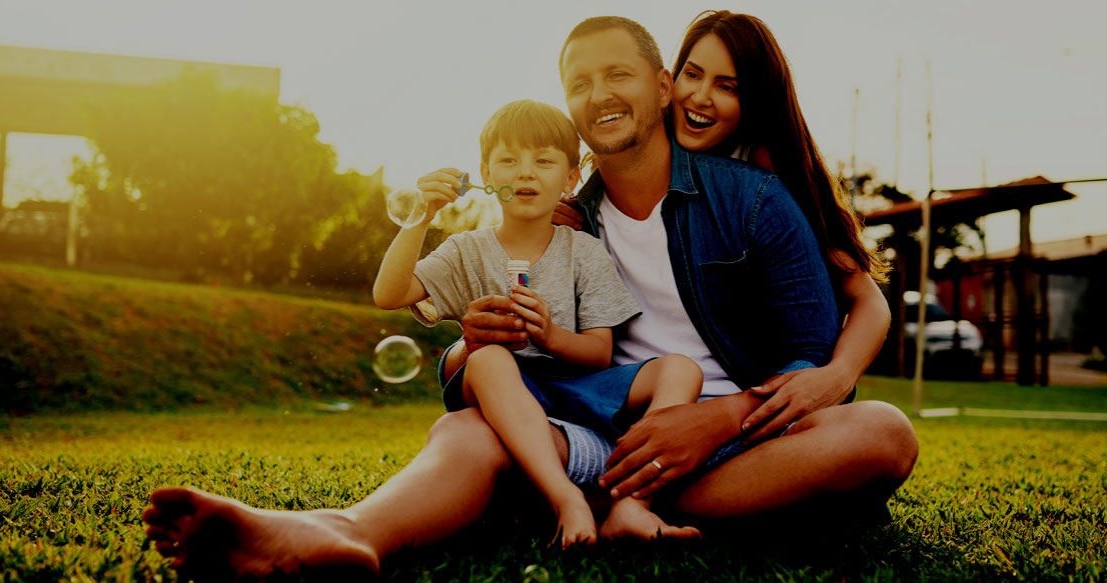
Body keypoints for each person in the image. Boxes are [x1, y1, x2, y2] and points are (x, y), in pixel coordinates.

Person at [141, 16, 917, 581]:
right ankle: (341, 533)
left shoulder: (753, 197)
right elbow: (491, 360)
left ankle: (579, 499)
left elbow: (815, 353)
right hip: (597, 433)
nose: (598, 93)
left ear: (658, 86)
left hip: (730, 443)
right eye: (578, 83)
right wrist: (481, 335)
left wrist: (712, 417)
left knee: (880, 432)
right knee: (472, 430)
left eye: (617, 73)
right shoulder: (561, 220)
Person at [371, 99, 703, 547]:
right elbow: (388, 294)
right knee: (487, 359)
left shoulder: (584, 252)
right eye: (509, 160)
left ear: (570, 179)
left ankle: (633, 504)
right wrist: (420, 218)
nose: (526, 172)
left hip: (574, 390)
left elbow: (599, 353)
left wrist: (549, 336)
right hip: (502, 389)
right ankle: (565, 498)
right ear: (486, 176)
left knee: (681, 368)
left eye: (543, 161)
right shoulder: (466, 250)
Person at [552, 10, 893, 440]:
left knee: (881, 432)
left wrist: (839, 374)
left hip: (737, 409)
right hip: (644, 400)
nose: (699, 97)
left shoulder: (767, 179)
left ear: (754, 102)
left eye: (727, 87)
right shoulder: (612, 180)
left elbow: (865, 297)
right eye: (692, 75)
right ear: (666, 84)